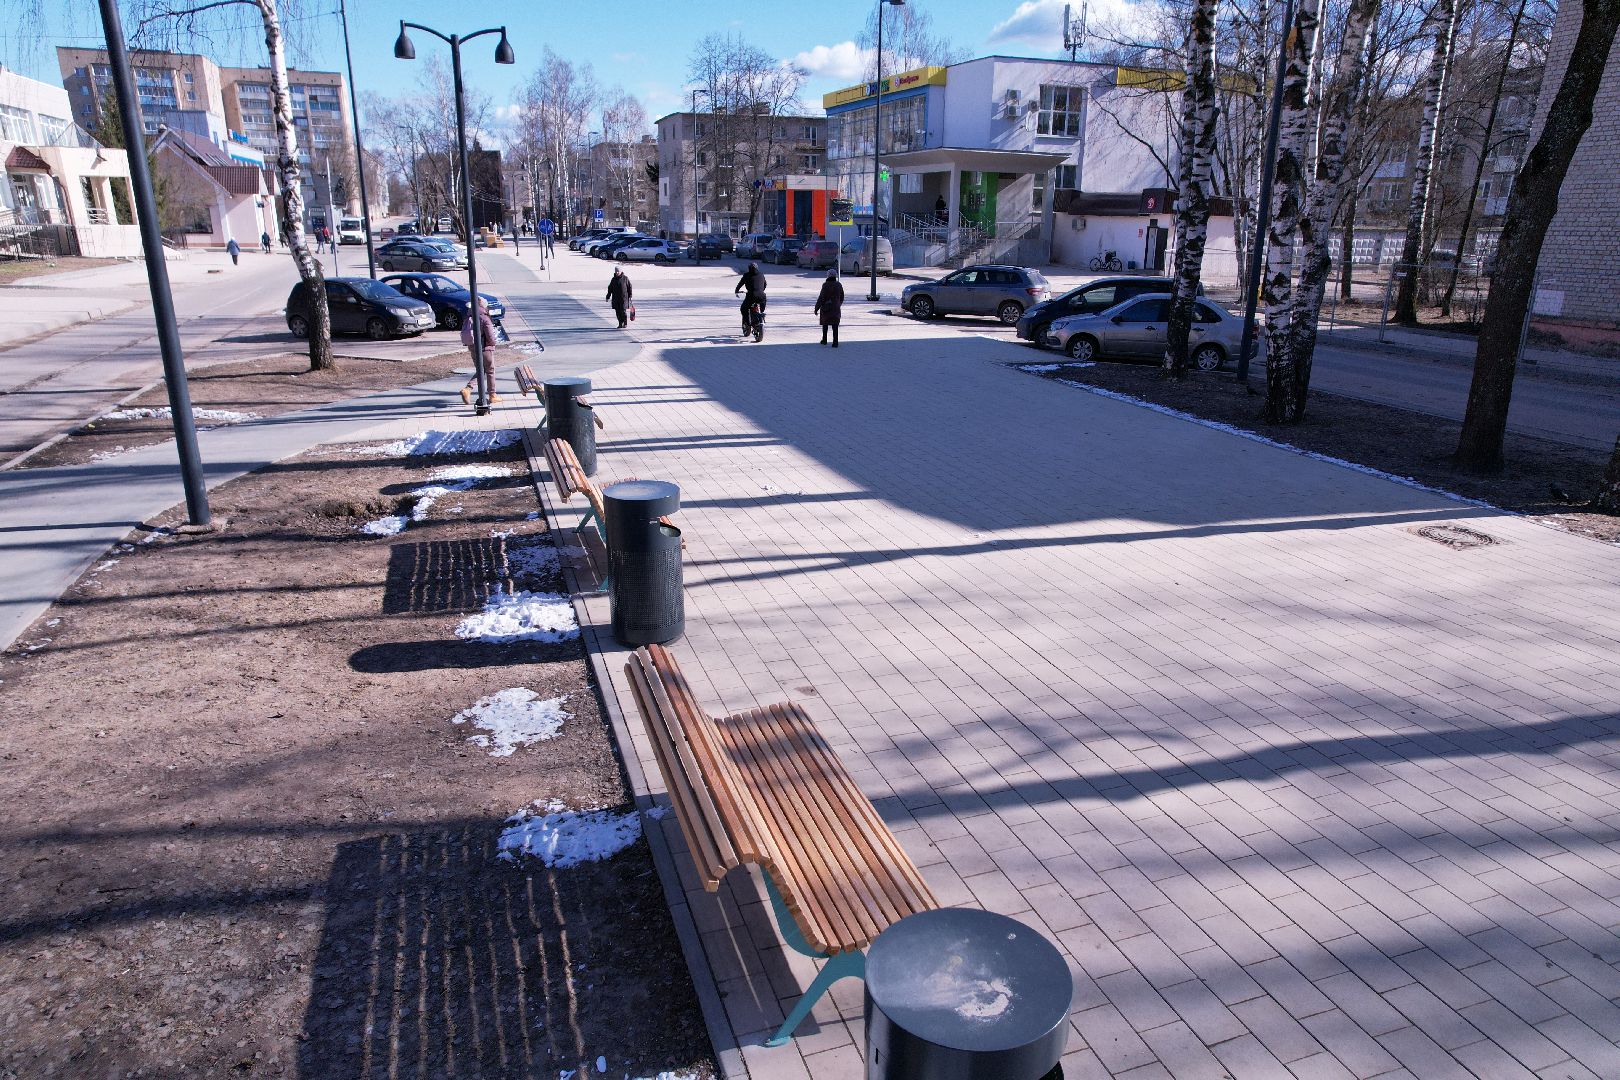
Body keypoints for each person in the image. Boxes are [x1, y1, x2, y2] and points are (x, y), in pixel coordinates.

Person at [458, 296, 500, 406]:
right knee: (490, 370)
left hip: (473, 348)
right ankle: (492, 395)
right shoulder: (484, 318)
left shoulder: (469, 316)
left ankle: (468, 389)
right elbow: (490, 335)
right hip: (485, 348)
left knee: (481, 370)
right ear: (483, 306)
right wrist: (493, 344)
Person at [735, 261, 767, 338]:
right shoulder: (761, 275)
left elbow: (740, 284)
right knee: (762, 309)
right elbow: (765, 285)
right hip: (762, 296)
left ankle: (747, 323)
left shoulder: (746, 275)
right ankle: (761, 316)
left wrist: (736, 290)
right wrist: (760, 290)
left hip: (751, 296)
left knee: (743, 308)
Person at [814, 268, 844, 347]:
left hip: (826, 308)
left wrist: (816, 308)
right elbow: (842, 296)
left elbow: (821, 297)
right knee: (835, 325)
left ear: (828, 275)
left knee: (825, 324)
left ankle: (824, 340)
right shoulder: (839, 285)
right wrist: (838, 304)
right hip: (836, 308)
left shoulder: (825, 285)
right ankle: (835, 342)